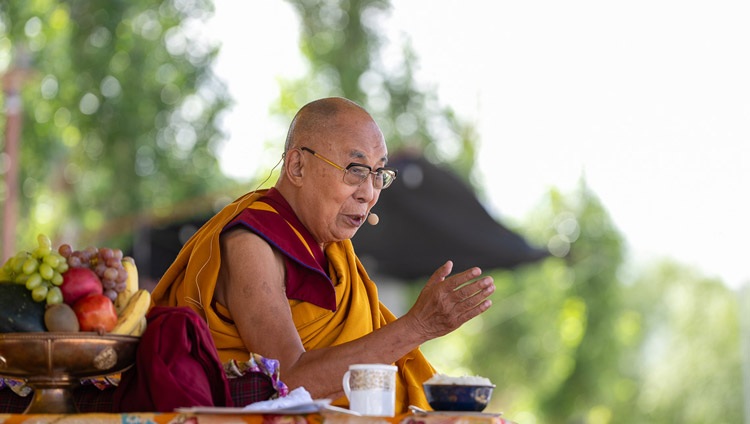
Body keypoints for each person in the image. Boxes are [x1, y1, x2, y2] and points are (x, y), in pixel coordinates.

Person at [150, 97, 496, 413]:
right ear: (298, 166)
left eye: (379, 175)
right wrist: (417, 326)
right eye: (355, 170)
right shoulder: (252, 242)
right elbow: (289, 382)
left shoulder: (333, 251)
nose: (368, 193)